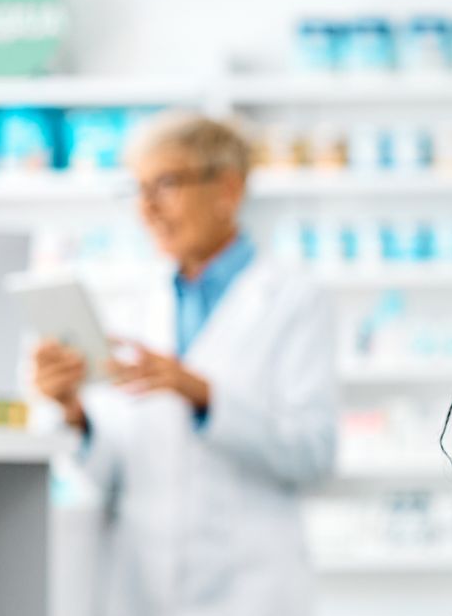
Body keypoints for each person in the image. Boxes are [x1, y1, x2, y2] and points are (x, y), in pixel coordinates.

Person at [29, 112, 338, 616]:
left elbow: (313, 455)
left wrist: (203, 395)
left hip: (253, 587)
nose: (146, 208)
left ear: (228, 190)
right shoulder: (135, 299)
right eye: (138, 188)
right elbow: (109, 470)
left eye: (166, 184)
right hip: (139, 583)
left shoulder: (293, 299)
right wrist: (73, 413)